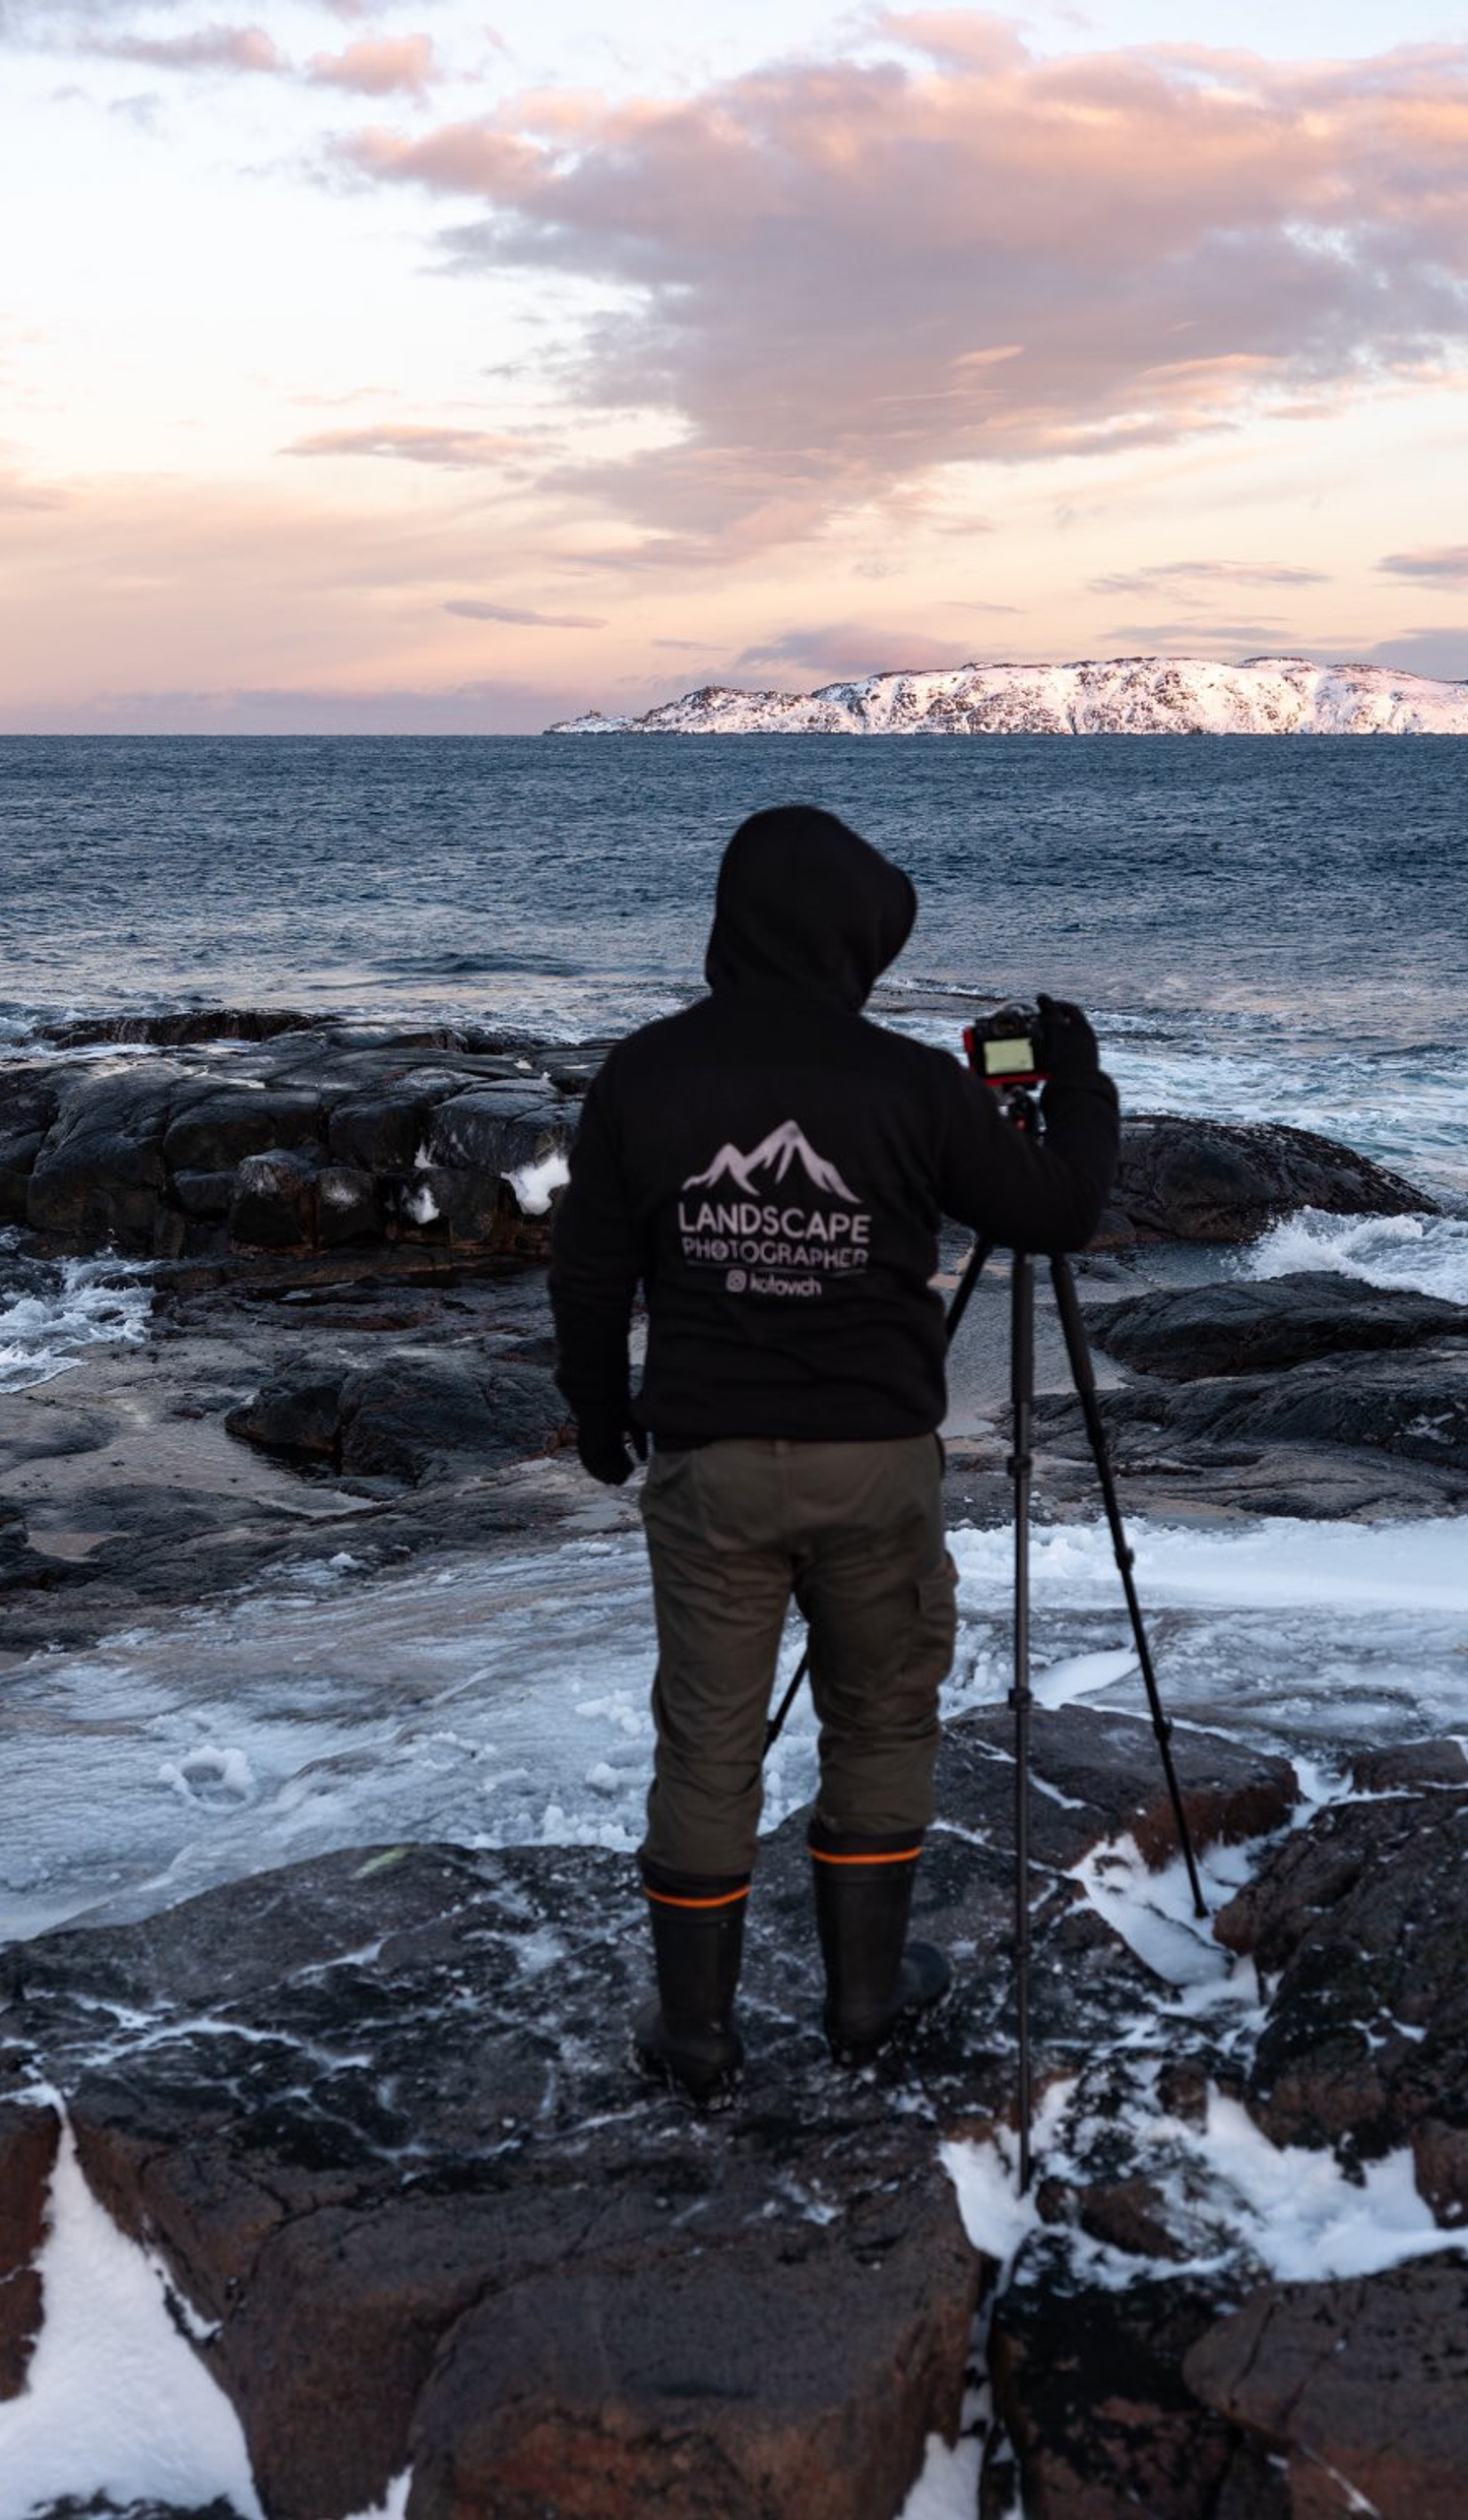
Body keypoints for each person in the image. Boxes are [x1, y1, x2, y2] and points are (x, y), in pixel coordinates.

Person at [548, 803, 1120, 2107]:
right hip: (876, 1462)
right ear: (851, 943)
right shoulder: (912, 1086)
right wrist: (1078, 1088)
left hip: (708, 1461)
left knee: (707, 1739)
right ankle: (864, 2003)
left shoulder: (646, 1074)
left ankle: (695, 2036)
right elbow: (1057, 1212)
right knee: (880, 1713)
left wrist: (598, 1413)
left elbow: (587, 1273)